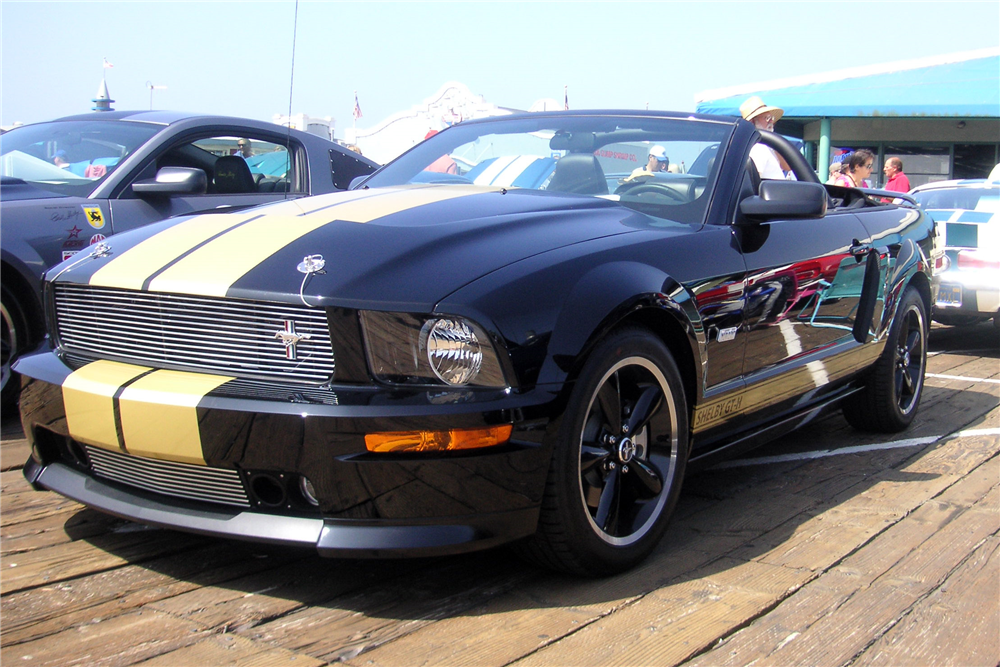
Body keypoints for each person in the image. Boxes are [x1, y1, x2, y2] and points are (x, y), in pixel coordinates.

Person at [739, 96, 789, 179]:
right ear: (752, 122)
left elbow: (787, 166)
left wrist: (775, 144)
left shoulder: (766, 146)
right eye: (767, 118)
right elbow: (754, 178)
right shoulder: (758, 148)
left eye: (771, 118)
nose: (771, 121)